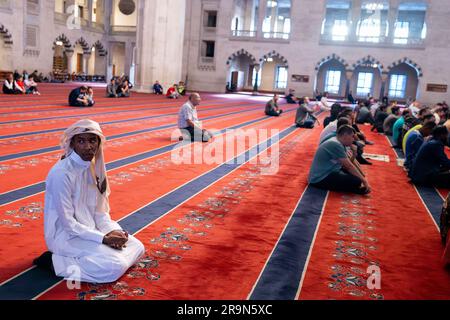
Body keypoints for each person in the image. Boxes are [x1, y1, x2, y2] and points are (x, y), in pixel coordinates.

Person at [33, 119, 145, 283]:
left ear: (99, 142)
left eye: (92, 140)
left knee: (138, 247)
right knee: (114, 266)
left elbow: (100, 212)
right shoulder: (62, 174)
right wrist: (103, 239)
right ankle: (54, 262)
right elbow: (68, 225)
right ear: (73, 144)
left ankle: (93, 258)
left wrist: (113, 232)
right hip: (65, 237)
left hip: (93, 232)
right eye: (81, 141)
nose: (88, 147)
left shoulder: (94, 168)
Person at [309, 125, 371, 195]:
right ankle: (353, 189)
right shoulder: (335, 144)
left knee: (355, 175)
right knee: (357, 181)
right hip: (320, 178)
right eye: (352, 136)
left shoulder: (336, 139)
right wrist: (364, 181)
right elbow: (348, 166)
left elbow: (347, 165)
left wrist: (354, 154)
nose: (353, 140)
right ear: (345, 135)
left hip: (325, 172)